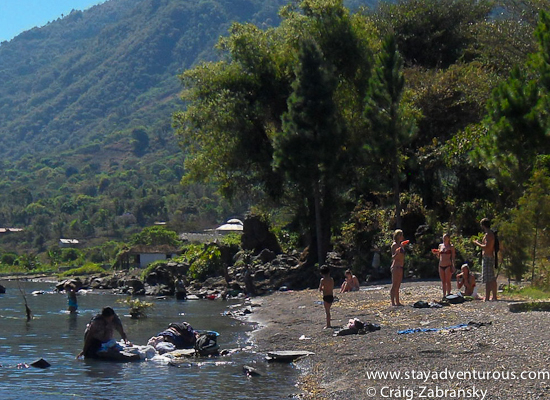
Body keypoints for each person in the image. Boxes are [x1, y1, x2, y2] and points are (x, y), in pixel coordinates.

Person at [473, 218, 498, 301]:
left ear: (483, 225)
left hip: (488, 258)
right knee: (491, 277)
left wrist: (477, 243)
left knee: (488, 278)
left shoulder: (488, 234)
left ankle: (488, 297)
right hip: (488, 257)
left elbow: (487, 247)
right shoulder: (490, 234)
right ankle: (493, 296)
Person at [434, 233, 456, 298]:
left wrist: (453, 265)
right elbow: (438, 256)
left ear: (448, 239)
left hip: (448, 265)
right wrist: (437, 253)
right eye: (443, 238)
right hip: (441, 265)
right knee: (443, 281)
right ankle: (444, 295)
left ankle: (449, 294)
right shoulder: (440, 245)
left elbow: (453, 257)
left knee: (448, 281)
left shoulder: (451, 246)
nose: (444, 239)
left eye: (445, 238)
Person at [390, 229, 406, 306]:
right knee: (394, 285)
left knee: (398, 285)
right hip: (396, 266)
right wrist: (397, 253)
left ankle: (398, 301)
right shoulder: (394, 245)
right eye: (401, 235)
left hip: (401, 266)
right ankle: (393, 302)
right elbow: (393, 257)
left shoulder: (401, 245)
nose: (402, 237)